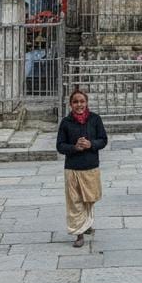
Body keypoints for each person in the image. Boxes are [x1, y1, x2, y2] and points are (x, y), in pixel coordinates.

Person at [57, 88, 108, 246]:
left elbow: (103, 140)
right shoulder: (66, 123)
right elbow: (60, 145)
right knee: (75, 202)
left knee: (90, 199)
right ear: (71, 104)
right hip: (73, 168)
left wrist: (91, 144)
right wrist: (74, 147)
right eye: (75, 102)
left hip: (91, 167)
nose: (79, 105)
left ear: (86, 103)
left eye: (82, 101)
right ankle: (79, 233)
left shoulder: (95, 119)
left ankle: (87, 223)